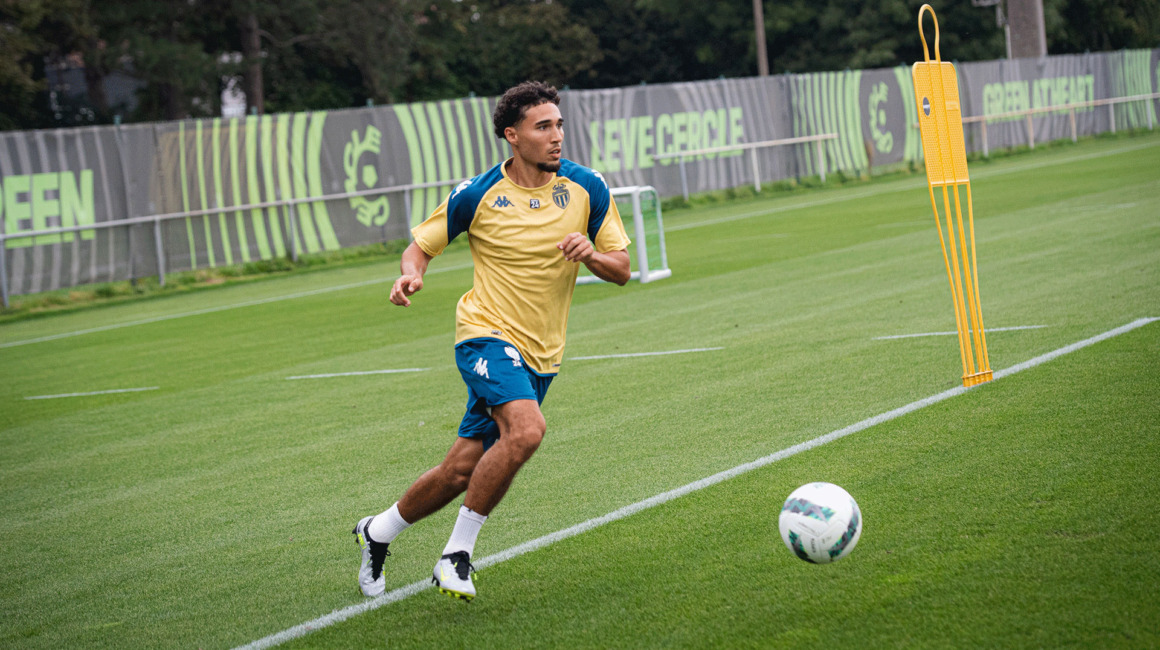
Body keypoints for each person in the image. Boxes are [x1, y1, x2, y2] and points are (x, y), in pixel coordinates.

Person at [353, 81, 632, 602]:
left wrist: (591, 254)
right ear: (512, 135)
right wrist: (411, 274)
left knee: (460, 469)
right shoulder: (477, 193)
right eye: (543, 126)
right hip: (483, 334)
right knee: (526, 431)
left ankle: (378, 530)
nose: (557, 136)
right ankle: (455, 555)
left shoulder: (587, 187)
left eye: (559, 124)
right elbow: (420, 247)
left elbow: (621, 269)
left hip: (541, 354)